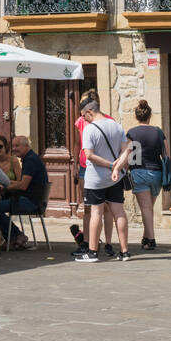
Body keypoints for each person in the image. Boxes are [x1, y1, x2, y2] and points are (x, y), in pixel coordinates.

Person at [73, 100, 131, 262]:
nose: (84, 119)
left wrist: (110, 165)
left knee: (96, 213)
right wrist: (117, 167)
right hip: (115, 178)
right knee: (118, 212)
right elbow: (126, 150)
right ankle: (125, 251)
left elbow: (89, 155)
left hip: (96, 178)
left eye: (84, 116)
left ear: (89, 112)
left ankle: (92, 252)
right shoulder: (116, 126)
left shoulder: (89, 129)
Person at [71, 91, 115, 255]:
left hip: (104, 167)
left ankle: (108, 243)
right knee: (88, 207)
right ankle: (87, 242)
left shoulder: (109, 121)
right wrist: (75, 165)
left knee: (106, 207)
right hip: (85, 166)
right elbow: (77, 144)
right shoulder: (80, 121)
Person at [126, 100, 168, 251]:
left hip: (139, 171)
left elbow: (128, 155)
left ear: (136, 116)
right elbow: (166, 155)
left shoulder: (132, 133)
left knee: (145, 208)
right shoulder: (158, 132)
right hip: (157, 173)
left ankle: (151, 240)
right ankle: (145, 237)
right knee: (149, 208)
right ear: (150, 116)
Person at [0, 136, 50, 252]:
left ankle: (16, 236)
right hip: (34, 200)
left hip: (32, 202)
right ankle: (13, 237)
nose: (14, 149)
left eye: (17, 146)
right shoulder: (30, 158)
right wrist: (9, 182)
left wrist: (6, 186)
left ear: (26, 146)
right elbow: (23, 183)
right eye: (13, 146)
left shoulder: (30, 161)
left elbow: (23, 186)